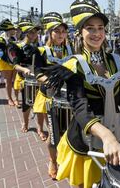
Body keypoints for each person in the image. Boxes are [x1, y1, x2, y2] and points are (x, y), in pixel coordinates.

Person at [41, 0, 120, 188]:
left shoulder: (115, 61)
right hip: (85, 140)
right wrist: (106, 136)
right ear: (80, 32)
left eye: (100, 28)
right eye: (90, 27)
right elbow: (80, 109)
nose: (97, 33)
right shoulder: (73, 65)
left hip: (115, 134)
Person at [32, 11, 73, 179]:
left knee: (69, 131)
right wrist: (49, 82)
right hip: (50, 96)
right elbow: (37, 73)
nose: (61, 35)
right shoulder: (41, 50)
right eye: (57, 31)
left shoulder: (70, 49)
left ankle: (66, 159)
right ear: (50, 32)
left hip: (69, 96)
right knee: (54, 133)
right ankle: (52, 161)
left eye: (63, 31)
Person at [11, 19, 40, 132]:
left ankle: (40, 127)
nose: (34, 34)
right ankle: (25, 123)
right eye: (31, 32)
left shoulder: (39, 45)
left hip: (39, 77)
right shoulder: (17, 46)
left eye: (35, 32)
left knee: (40, 103)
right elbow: (15, 65)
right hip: (26, 78)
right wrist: (25, 69)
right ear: (25, 33)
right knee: (27, 102)